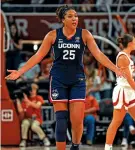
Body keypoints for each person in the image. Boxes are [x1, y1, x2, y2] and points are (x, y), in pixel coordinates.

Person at [5, 5, 122, 150]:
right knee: (61, 120)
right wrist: (20, 71)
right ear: (62, 20)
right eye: (70, 16)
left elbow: (98, 55)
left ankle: (75, 146)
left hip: (78, 80)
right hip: (58, 80)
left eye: (76, 16)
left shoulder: (84, 34)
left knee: (77, 120)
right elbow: (38, 56)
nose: (74, 19)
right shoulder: (52, 35)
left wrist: (115, 68)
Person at [104, 34, 135, 150]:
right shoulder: (122, 57)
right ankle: (108, 147)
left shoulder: (127, 56)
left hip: (129, 91)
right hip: (123, 91)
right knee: (116, 121)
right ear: (130, 43)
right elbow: (130, 80)